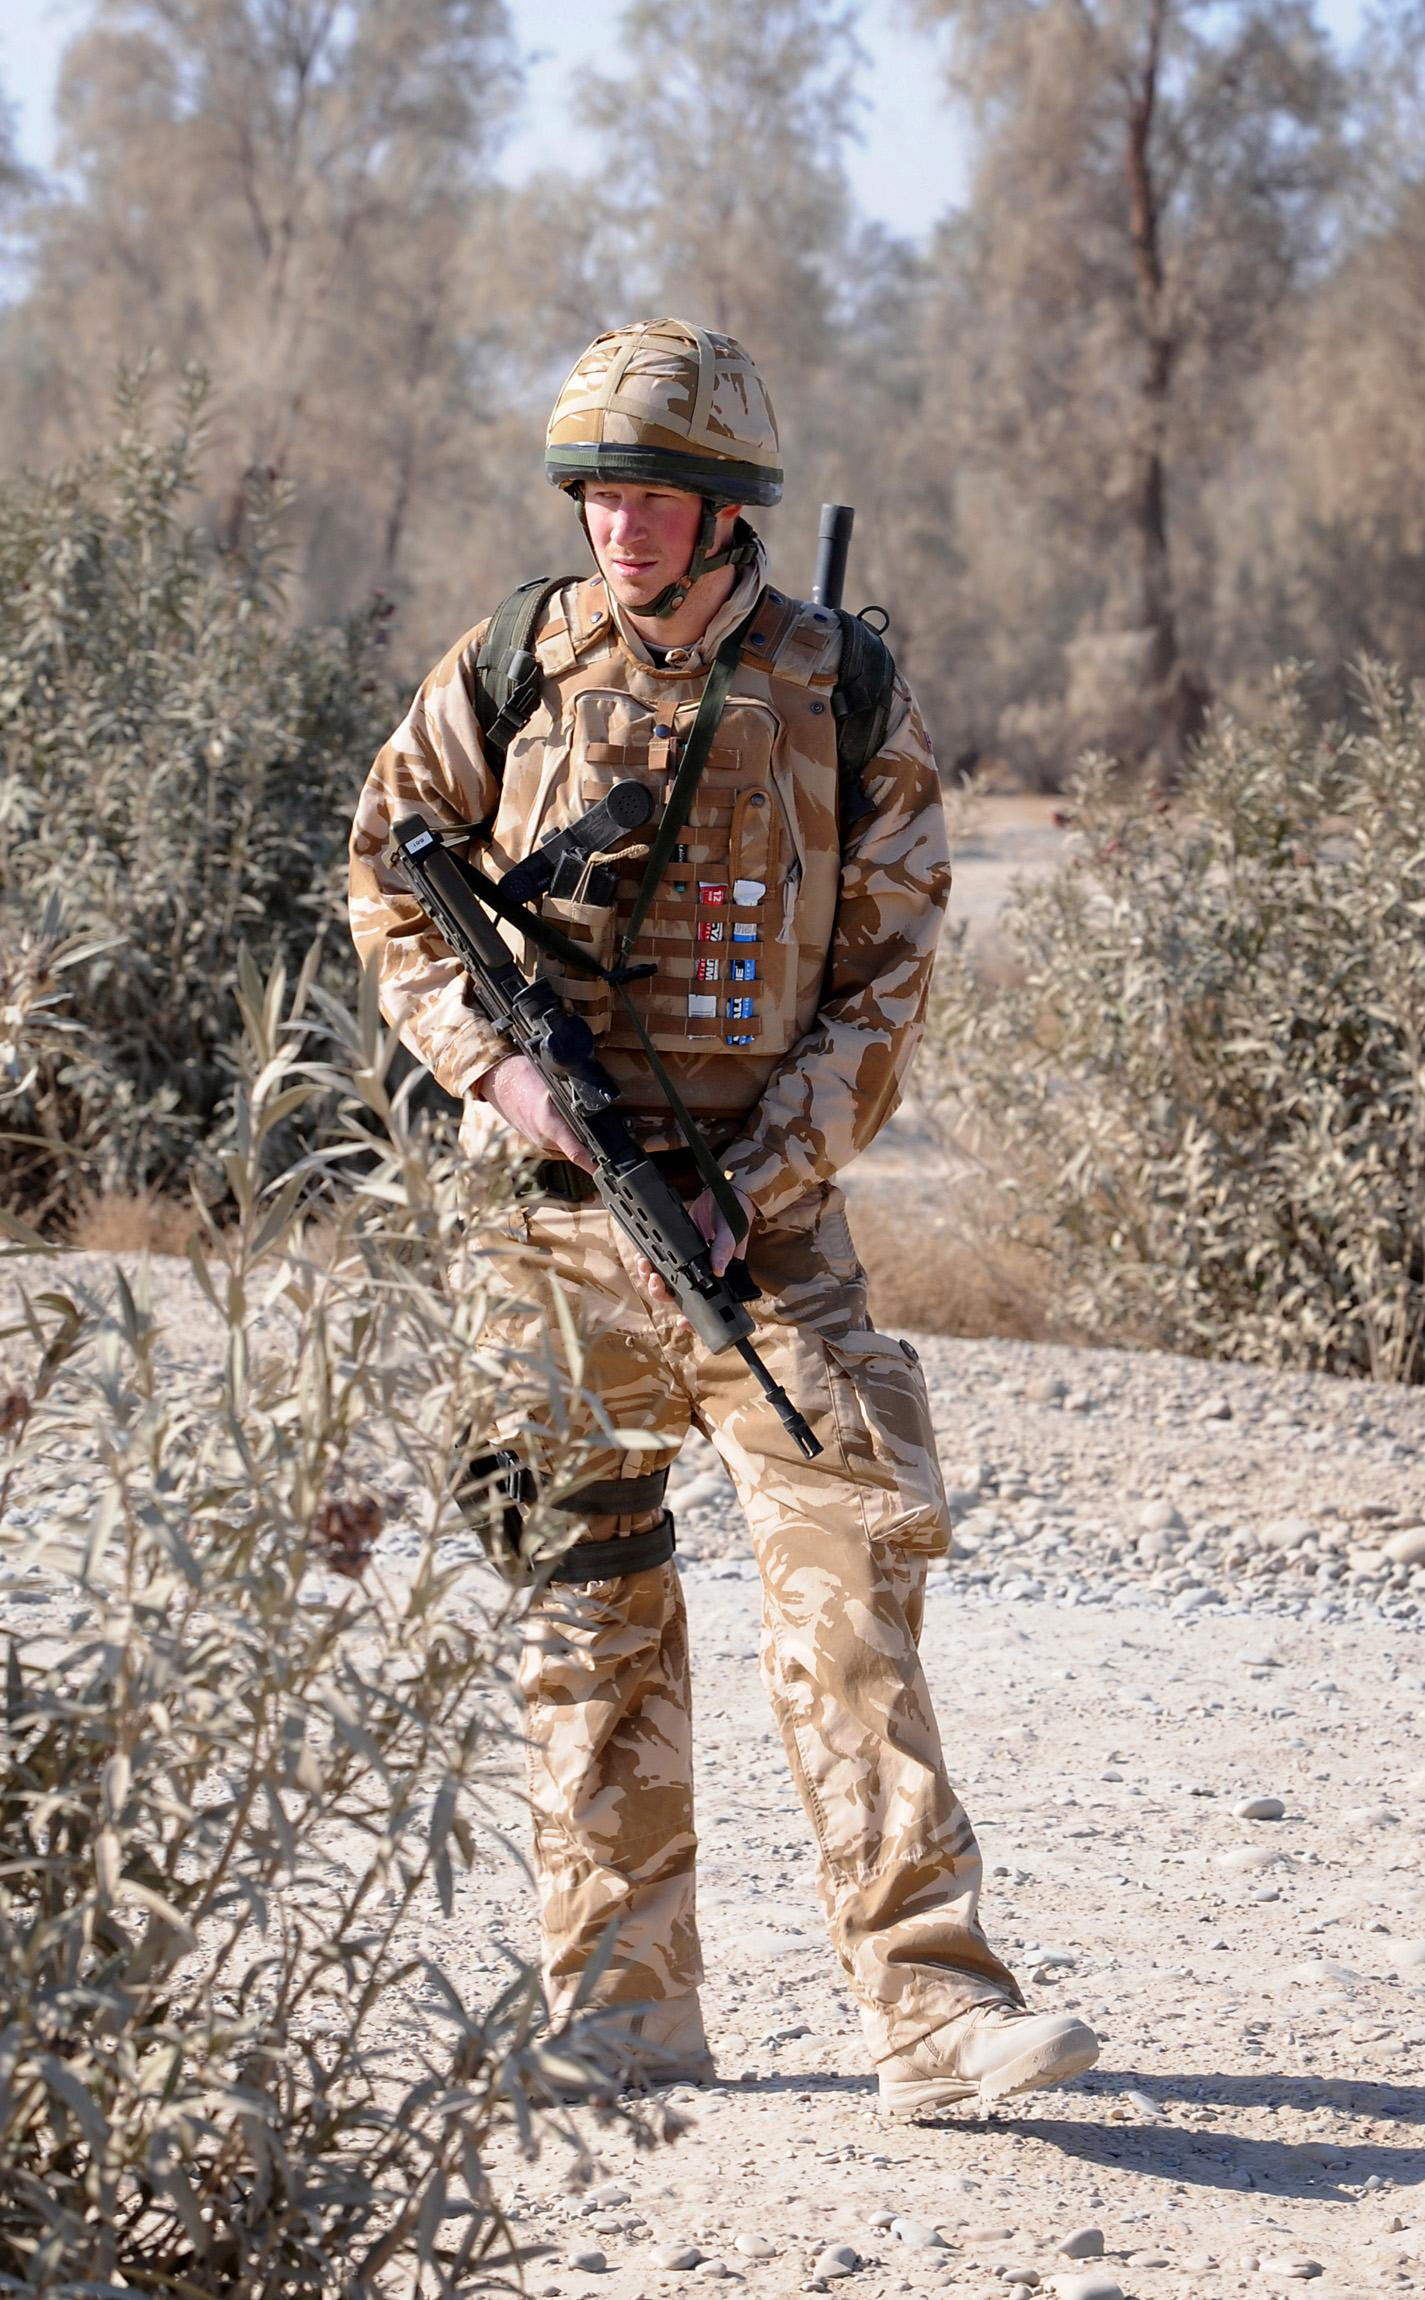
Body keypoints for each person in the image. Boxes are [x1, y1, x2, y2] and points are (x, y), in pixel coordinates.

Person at [348, 317, 1098, 2117]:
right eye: (599, 493)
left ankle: (932, 2011)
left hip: (768, 1232)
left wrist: (746, 1179)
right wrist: (505, 1079)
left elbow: (889, 977)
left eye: (656, 497)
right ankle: (617, 2017)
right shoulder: (508, 665)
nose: (622, 527)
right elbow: (387, 869)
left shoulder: (837, 687)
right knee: (582, 1623)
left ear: (724, 508)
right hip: (549, 1230)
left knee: (850, 1591)